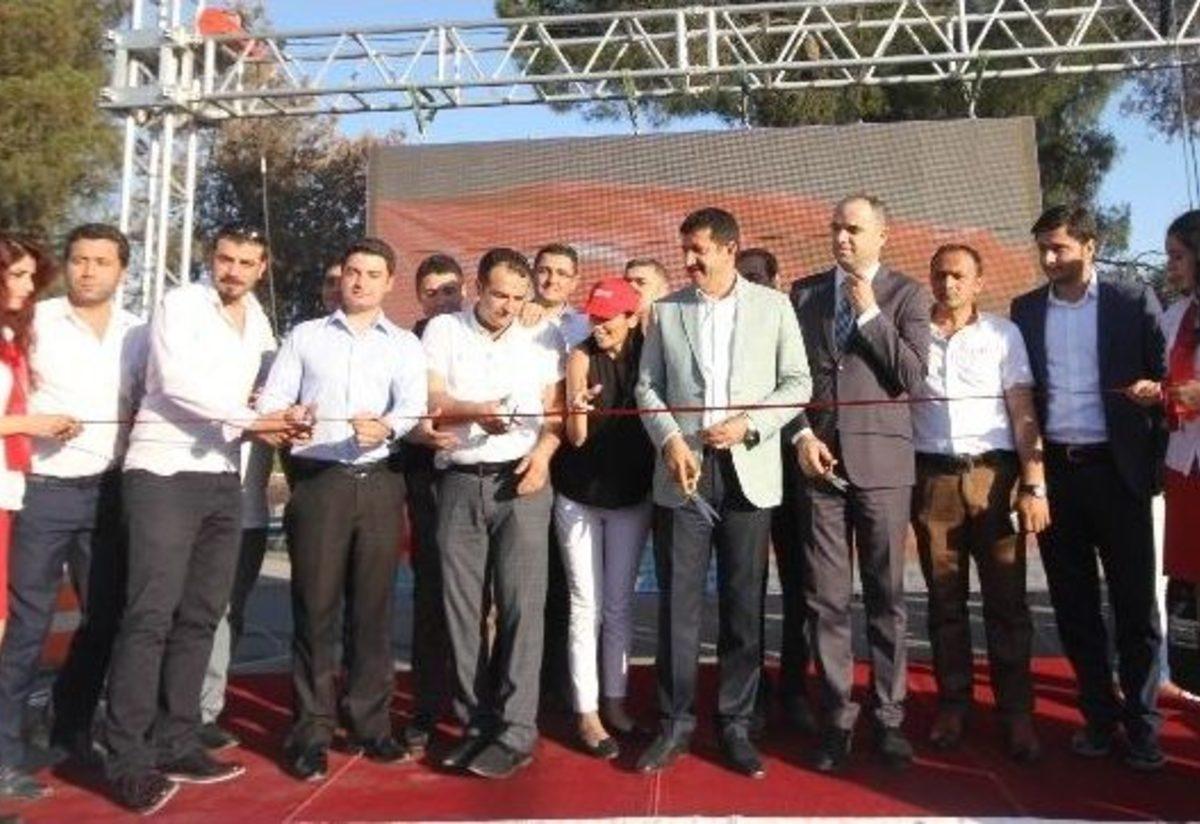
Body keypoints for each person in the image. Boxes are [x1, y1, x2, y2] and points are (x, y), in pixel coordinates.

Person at [103, 225, 310, 815]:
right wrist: (253, 421)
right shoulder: (181, 304)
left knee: (200, 617)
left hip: (223, 477)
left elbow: (265, 393)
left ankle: (178, 741)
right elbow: (174, 383)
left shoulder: (260, 321)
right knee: (150, 616)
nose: (233, 270)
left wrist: (290, 413)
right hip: (162, 473)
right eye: (225, 259)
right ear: (210, 258)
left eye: (246, 262)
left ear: (262, 268)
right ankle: (127, 760)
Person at [635, 207, 810, 779]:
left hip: (747, 472)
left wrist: (750, 424)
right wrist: (670, 441)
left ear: (730, 249)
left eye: (699, 250)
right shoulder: (666, 310)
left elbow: (799, 383)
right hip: (684, 473)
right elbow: (647, 387)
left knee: (743, 604)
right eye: (685, 249)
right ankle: (674, 723)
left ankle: (736, 722)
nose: (688, 260)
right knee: (678, 606)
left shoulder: (774, 307)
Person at [259, 237, 427, 781]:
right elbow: (272, 402)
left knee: (373, 612)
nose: (360, 281)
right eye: (353, 271)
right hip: (320, 484)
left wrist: (388, 427)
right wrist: (290, 416)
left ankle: (370, 725)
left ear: (389, 283)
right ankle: (310, 731)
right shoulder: (305, 336)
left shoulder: (404, 344)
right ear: (342, 276)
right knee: (315, 610)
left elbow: (413, 405)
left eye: (373, 274)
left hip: (380, 483)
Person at [1010, 204, 1166, 771]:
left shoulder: (1132, 301)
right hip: (1058, 476)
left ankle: (1143, 726)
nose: (1049, 259)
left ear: (1090, 246)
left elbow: (1168, 376)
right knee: (1074, 606)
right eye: (1043, 250)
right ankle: (1099, 717)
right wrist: (1033, 481)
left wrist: (1156, 390)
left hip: (1119, 474)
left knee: (1135, 608)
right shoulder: (1025, 309)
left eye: (1060, 248)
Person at [790, 194, 930, 772]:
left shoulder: (907, 295)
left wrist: (870, 314)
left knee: (885, 598)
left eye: (853, 229)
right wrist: (802, 434)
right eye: (835, 228)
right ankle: (837, 719)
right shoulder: (804, 294)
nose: (841, 238)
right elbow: (787, 377)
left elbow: (912, 377)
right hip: (820, 464)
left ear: (882, 235)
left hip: (883, 465)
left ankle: (889, 718)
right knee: (826, 599)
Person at [422, 247, 564, 779]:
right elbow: (433, 400)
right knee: (462, 612)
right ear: (478, 288)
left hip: (522, 482)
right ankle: (474, 724)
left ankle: (516, 731)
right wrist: (476, 413)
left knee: (523, 608)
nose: (508, 306)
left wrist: (543, 456)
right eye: (499, 294)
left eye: (518, 298)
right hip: (459, 481)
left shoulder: (543, 337)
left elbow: (556, 412)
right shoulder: (443, 331)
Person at [910, 243, 1049, 761]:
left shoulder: (1002, 334)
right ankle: (953, 704)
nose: (948, 284)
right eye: (940, 275)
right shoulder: (912, 335)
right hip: (934, 480)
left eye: (958, 276)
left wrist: (1034, 483)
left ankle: (1017, 713)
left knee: (1007, 603)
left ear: (979, 282)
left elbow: (1023, 410)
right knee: (945, 603)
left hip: (995, 477)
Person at [553, 278, 654, 757]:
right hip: (579, 494)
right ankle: (587, 711)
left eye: (608, 317)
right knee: (584, 604)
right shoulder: (580, 356)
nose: (599, 325)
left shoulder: (648, 356)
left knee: (617, 604)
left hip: (631, 495)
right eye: (594, 316)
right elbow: (575, 438)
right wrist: (577, 410)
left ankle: (615, 701)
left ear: (631, 318)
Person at [0, 234, 81, 800]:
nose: (28, 286)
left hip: (10, 492)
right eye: (19, 274)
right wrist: (36, 424)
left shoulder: (12, 338)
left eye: (31, 276)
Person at [736, 245, 814, 733]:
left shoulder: (792, 322)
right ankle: (752, 690)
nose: (751, 285)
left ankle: (795, 687)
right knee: (747, 585)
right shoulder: (727, 327)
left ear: (777, 280)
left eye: (758, 277)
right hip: (746, 469)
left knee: (799, 583)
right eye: (743, 278)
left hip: (793, 471)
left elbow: (801, 388)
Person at [402, 252, 466, 755]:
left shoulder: (478, 335)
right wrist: (416, 433)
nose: (443, 300)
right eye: (433, 292)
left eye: (451, 290)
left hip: (476, 482)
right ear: (419, 298)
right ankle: (426, 707)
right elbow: (393, 413)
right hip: (425, 485)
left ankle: (477, 706)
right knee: (430, 600)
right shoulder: (403, 347)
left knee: (479, 603)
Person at [1160, 210, 1200, 701]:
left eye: (1178, 256)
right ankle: (1191, 676)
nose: (1170, 266)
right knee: (1189, 574)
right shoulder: (1175, 316)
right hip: (1185, 466)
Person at [622, 258, 670, 329]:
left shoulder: (680, 323)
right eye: (627, 283)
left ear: (663, 288)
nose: (631, 288)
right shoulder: (617, 329)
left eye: (641, 282)